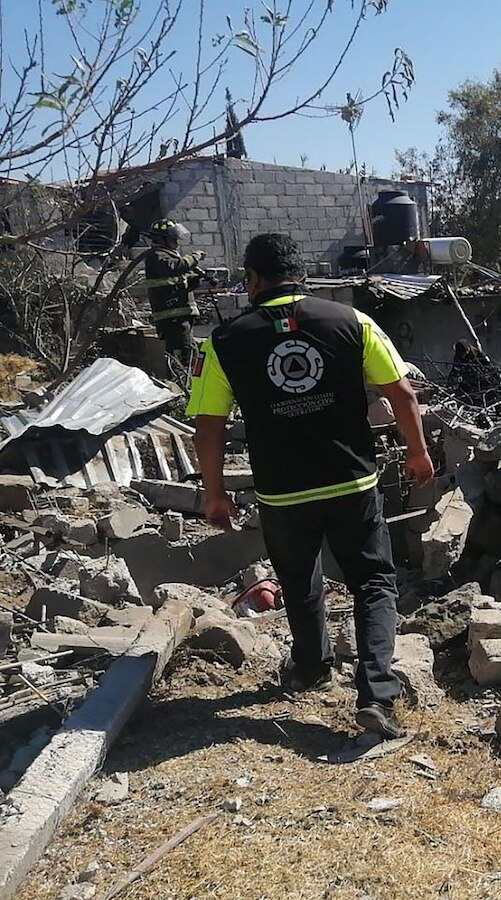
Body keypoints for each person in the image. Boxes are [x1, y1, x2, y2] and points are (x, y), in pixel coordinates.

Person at [186, 233, 434, 739]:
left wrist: (213, 493)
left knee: (299, 583)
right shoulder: (352, 322)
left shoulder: (225, 341)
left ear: (253, 278)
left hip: (282, 491)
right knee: (373, 582)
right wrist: (418, 451)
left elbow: (208, 427)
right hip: (352, 482)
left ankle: (312, 667)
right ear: (299, 272)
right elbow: (402, 392)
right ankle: (377, 696)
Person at [143, 219, 207, 366]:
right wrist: (194, 257)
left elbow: (175, 284)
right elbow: (176, 267)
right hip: (172, 319)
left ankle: (184, 384)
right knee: (184, 356)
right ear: (161, 239)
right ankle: (182, 385)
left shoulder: (168, 255)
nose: (177, 243)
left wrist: (195, 280)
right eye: (173, 239)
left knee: (188, 353)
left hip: (179, 318)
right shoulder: (156, 255)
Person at [448, 339, 500, 405]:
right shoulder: (458, 355)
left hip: (479, 376)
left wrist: (493, 373)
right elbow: (455, 369)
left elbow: (487, 364)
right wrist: (452, 381)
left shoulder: (476, 352)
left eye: (466, 352)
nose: (464, 355)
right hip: (467, 378)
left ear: (468, 349)